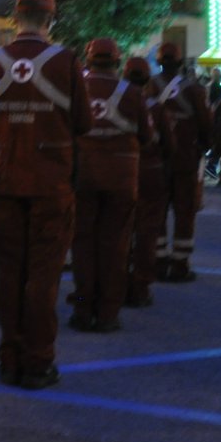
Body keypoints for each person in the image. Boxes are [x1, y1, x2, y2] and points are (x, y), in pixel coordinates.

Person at [0, 0, 91, 389]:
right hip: (51, 183)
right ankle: (38, 362)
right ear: (50, 21)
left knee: (9, 273)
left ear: (15, 17)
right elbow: (84, 122)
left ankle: (9, 360)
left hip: (4, 183)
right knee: (43, 276)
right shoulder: (66, 61)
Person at [71, 39, 151, 331]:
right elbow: (147, 135)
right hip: (121, 177)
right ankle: (107, 313)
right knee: (115, 246)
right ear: (117, 62)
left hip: (84, 174)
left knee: (83, 244)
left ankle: (82, 308)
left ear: (88, 59)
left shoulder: (76, 88)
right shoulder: (131, 93)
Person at [153, 43, 212, 281]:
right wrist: (203, 148)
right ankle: (180, 265)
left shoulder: (148, 87)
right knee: (185, 213)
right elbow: (207, 125)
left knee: (155, 212)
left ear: (159, 61)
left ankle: (157, 261)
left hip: (155, 160)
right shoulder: (194, 90)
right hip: (185, 160)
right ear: (180, 63)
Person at [124, 58, 169, 309]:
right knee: (147, 233)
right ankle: (140, 288)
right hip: (151, 173)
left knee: (119, 233)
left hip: (123, 172)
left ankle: (117, 285)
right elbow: (167, 144)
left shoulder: (117, 101)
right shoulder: (157, 108)